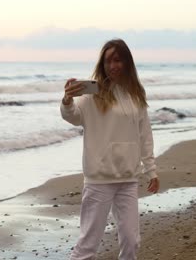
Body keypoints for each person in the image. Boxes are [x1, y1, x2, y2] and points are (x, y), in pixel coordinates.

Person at [61, 38, 160, 260]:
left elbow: (145, 134)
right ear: (102, 65)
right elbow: (74, 117)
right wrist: (67, 99)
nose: (113, 66)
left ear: (127, 62)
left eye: (117, 60)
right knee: (87, 247)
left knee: (132, 242)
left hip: (128, 178)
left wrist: (150, 169)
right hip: (99, 179)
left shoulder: (136, 94)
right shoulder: (93, 94)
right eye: (108, 61)